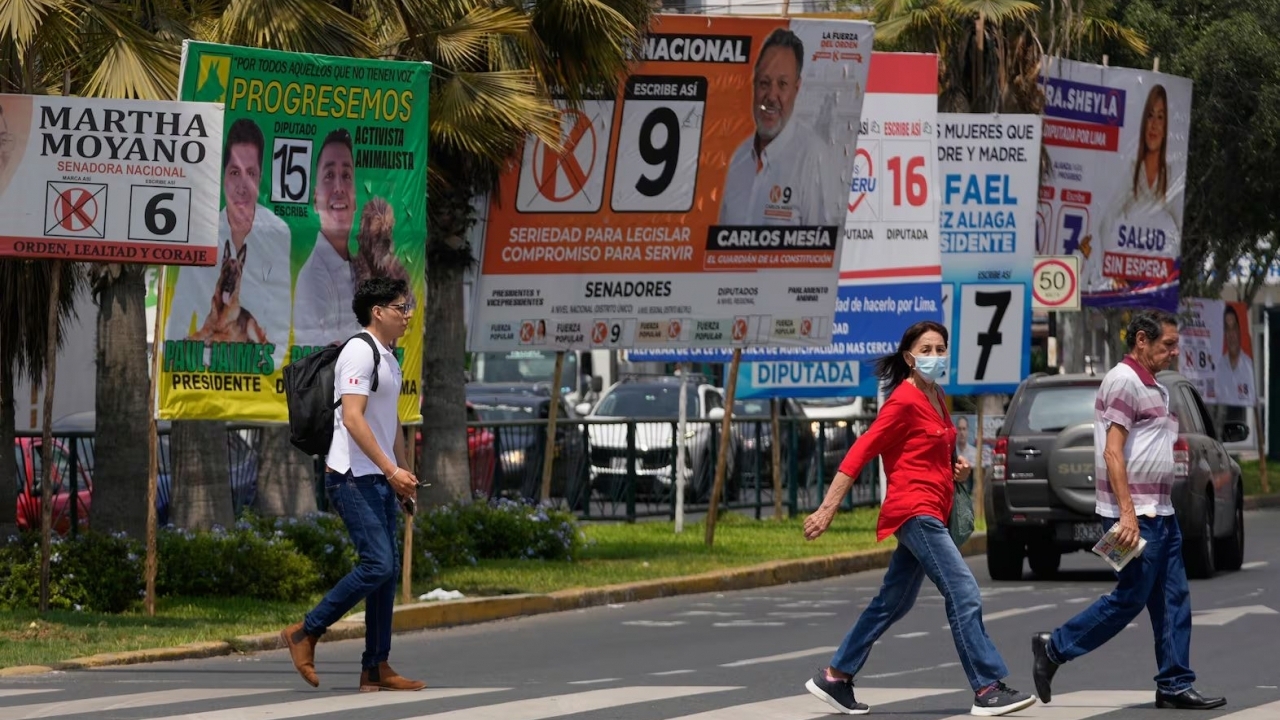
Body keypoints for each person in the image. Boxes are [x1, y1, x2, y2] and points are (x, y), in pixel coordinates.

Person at [803, 320, 1036, 717]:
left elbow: (936, 451)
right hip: (915, 511)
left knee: (893, 602)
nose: (935, 356)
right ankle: (986, 688)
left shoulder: (937, 396)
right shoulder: (902, 401)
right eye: (926, 350)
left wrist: (958, 469)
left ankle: (835, 676)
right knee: (964, 592)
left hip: (934, 510)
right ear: (909, 358)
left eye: (940, 349)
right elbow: (861, 450)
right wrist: (828, 508)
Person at [1031, 310, 1226, 711]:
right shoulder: (1124, 381)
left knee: (1173, 599)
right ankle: (1054, 648)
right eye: (1167, 344)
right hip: (1133, 515)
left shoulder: (1156, 386)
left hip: (1160, 512)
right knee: (1130, 597)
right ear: (1141, 340)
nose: (1174, 352)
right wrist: (1127, 514)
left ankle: (1174, 683)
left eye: (1175, 344)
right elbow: (1112, 452)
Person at [281, 277, 424, 693]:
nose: (407, 315)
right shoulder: (360, 352)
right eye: (400, 307)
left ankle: (375, 667)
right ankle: (305, 631)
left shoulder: (388, 357)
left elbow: (389, 422)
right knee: (377, 564)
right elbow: (354, 419)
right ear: (377, 312)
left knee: (386, 574)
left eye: (408, 307)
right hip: (350, 477)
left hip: (377, 477)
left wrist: (402, 474)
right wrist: (390, 470)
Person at [164, 118, 291, 365]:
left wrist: (265, 368)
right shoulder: (200, 232)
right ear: (223, 177)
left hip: (258, 372)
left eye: (251, 174)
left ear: (260, 178)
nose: (242, 186)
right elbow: (178, 318)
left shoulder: (278, 233)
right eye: (234, 173)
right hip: (204, 373)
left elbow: (282, 324)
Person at [719, 28, 839, 228]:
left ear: (796, 89)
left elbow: (822, 244)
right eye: (764, 83)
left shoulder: (812, 157)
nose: (771, 96)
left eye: (782, 84)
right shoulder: (739, 160)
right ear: (754, 85)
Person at [293, 128, 362, 349]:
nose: (339, 188)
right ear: (315, 199)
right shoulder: (312, 278)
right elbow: (320, 359)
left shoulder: (359, 270)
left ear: (355, 199)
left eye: (346, 176)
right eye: (329, 176)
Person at [1215, 303, 1255, 407]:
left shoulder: (1249, 365)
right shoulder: (1219, 367)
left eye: (1234, 328)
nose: (1231, 335)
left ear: (1239, 331)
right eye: (1227, 329)